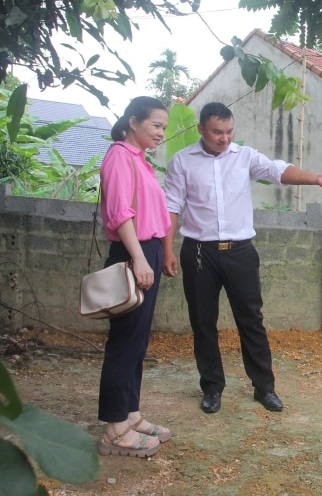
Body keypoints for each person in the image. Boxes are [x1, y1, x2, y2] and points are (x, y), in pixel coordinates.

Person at [163, 101, 322, 414]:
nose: (225, 138)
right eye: (217, 132)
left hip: (240, 251)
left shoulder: (244, 157)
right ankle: (212, 388)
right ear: (201, 130)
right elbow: (172, 206)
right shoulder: (182, 161)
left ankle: (264, 387)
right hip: (197, 252)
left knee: (251, 321)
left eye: (230, 131)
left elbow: (278, 170)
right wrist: (167, 249)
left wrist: (315, 178)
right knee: (203, 323)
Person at [96, 96, 173, 458]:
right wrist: (139, 258)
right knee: (124, 342)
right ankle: (114, 429)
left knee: (137, 341)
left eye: (164, 127)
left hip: (148, 251)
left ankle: (130, 413)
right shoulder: (119, 157)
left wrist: (154, 254)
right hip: (133, 252)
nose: (161, 132)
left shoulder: (140, 160)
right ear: (133, 121)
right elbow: (120, 214)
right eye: (155, 125)